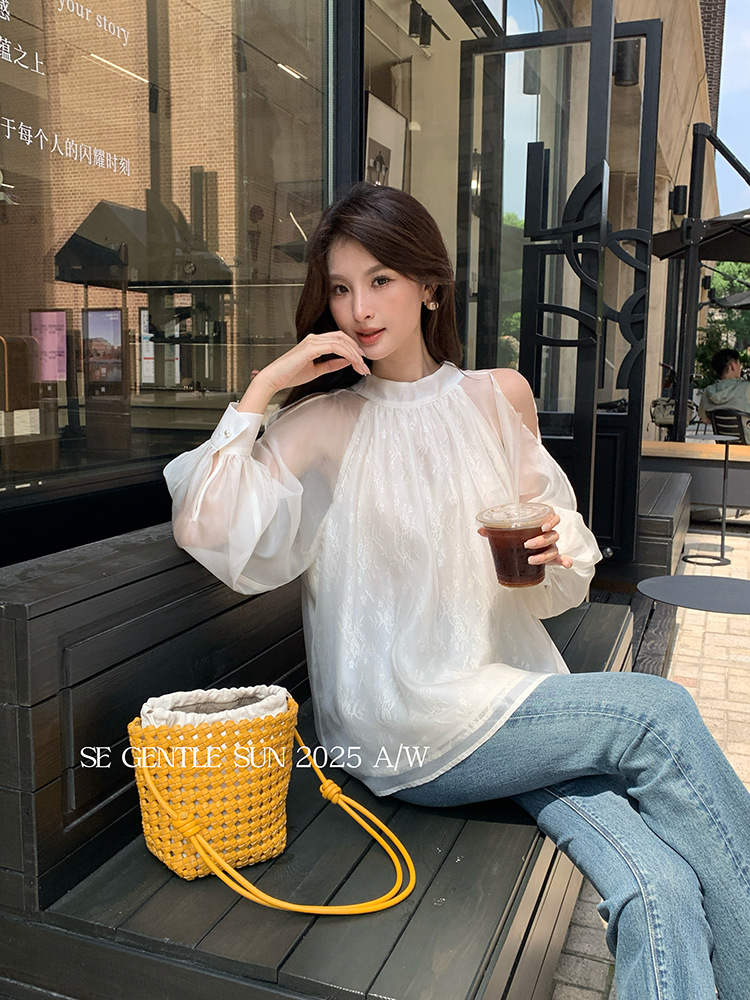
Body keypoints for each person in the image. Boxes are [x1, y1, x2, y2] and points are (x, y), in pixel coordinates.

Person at [165, 182, 750, 1000]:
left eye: (381, 280)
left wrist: (558, 546)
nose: (360, 307)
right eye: (341, 287)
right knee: (661, 714)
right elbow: (205, 524)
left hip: (507, 695)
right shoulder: (323, 424)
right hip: (396, 719)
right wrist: (265, 386)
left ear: (429, 287)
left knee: (660, 886)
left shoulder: (497, 397)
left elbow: (553, 572)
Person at [699, 347, 750, 443]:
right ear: (733, 365)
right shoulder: (747, 388)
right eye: (739, 364)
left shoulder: (708, 391)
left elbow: (705, 419)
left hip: (723, 443)